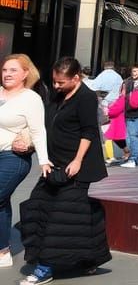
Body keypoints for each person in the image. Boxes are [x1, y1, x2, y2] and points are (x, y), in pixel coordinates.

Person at [16, 56, 111, 283]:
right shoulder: (57, 95)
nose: (56, 86)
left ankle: (45, 267)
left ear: (76, 78)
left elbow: (89, 131)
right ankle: (90, 257)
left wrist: (77, 160)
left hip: (77, 167)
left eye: (61, 82)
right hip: (54, 164)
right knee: (40, 207)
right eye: (54, 81)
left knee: (61, 217)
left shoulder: (86, 97)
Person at [1, 54, 51, 271]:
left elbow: (39, 131)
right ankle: (3, 251)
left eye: (13, 70)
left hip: (13, 158)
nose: (7, 74)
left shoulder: (31, 99)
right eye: (4, 70)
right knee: (1, 202)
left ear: (25, 74)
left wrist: (44, 160)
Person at [102, 81, 129, 165]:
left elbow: (116, 109)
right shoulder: (122, 97)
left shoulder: (122, 98)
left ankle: (111, 157)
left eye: (124, 88)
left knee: (108, 137)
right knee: (117, 139)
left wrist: (107, 111)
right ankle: (126, 152)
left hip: (116, 121)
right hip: (116, 121)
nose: (122, 90)